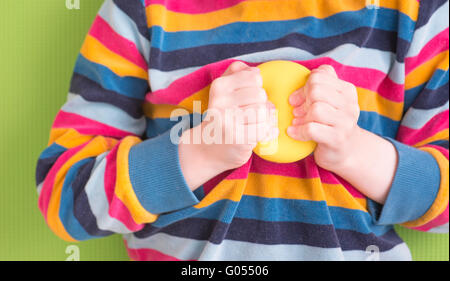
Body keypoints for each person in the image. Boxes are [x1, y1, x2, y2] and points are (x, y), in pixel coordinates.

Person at [35, 0, 449, 260]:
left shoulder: (415, 13)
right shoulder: (142, 10)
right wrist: (199, 151)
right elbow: (64, 196)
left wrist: (355, 152)